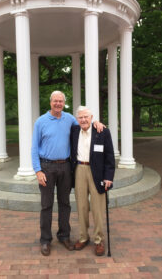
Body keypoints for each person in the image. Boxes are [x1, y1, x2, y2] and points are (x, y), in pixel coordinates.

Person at [31, 91, 104, 256]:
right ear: (50, 102)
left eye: (61, 101)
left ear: (64, 103)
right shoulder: (40, 122)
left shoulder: (70, 119)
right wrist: (37, 170)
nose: (58, 104)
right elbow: (34, 148)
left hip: (65, 167)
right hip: (46, 167)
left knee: (65, 204)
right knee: (46, 205)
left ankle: (64, 236)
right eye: (55, 101)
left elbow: (85, 123)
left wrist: (96, 122)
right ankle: (45, 240)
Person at [70, 105, 115, 256]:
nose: (83, 120)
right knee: (82, 206)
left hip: (97, 172)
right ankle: (83, 237)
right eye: (80, 117)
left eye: (86, 117)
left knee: (97, 208)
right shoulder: (74, 131)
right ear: (77, 119)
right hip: (79, 171)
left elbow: (109, 157)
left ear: (91, 118)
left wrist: (108, 177)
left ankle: (99, 239)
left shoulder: (102, 132)